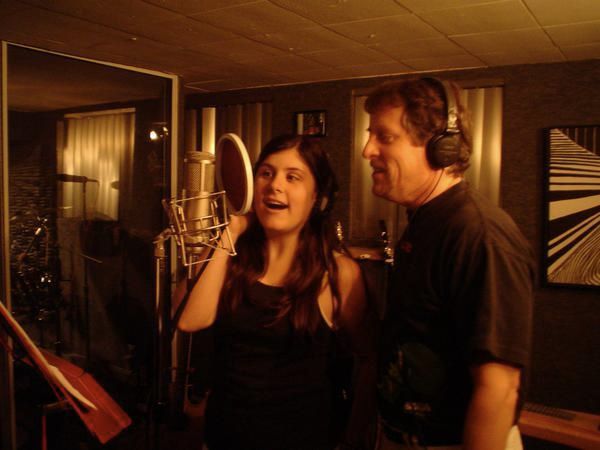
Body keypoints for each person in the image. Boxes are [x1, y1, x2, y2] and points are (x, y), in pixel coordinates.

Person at [361, 78, 534, 450]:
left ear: (442, 147)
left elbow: (500, 389)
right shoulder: (426, 221)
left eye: (384, 137)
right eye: (369, 135)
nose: (367, 150)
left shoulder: (480, 235)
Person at [178, 134, 376, 450]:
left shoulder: (338, 274)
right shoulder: (227, 257)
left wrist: (354, 434)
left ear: (317, 197)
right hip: (223, 438)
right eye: (266, 173)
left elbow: (369, 357)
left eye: (292, 177)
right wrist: (231, 230)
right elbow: (190, 319)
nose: (274, 185)